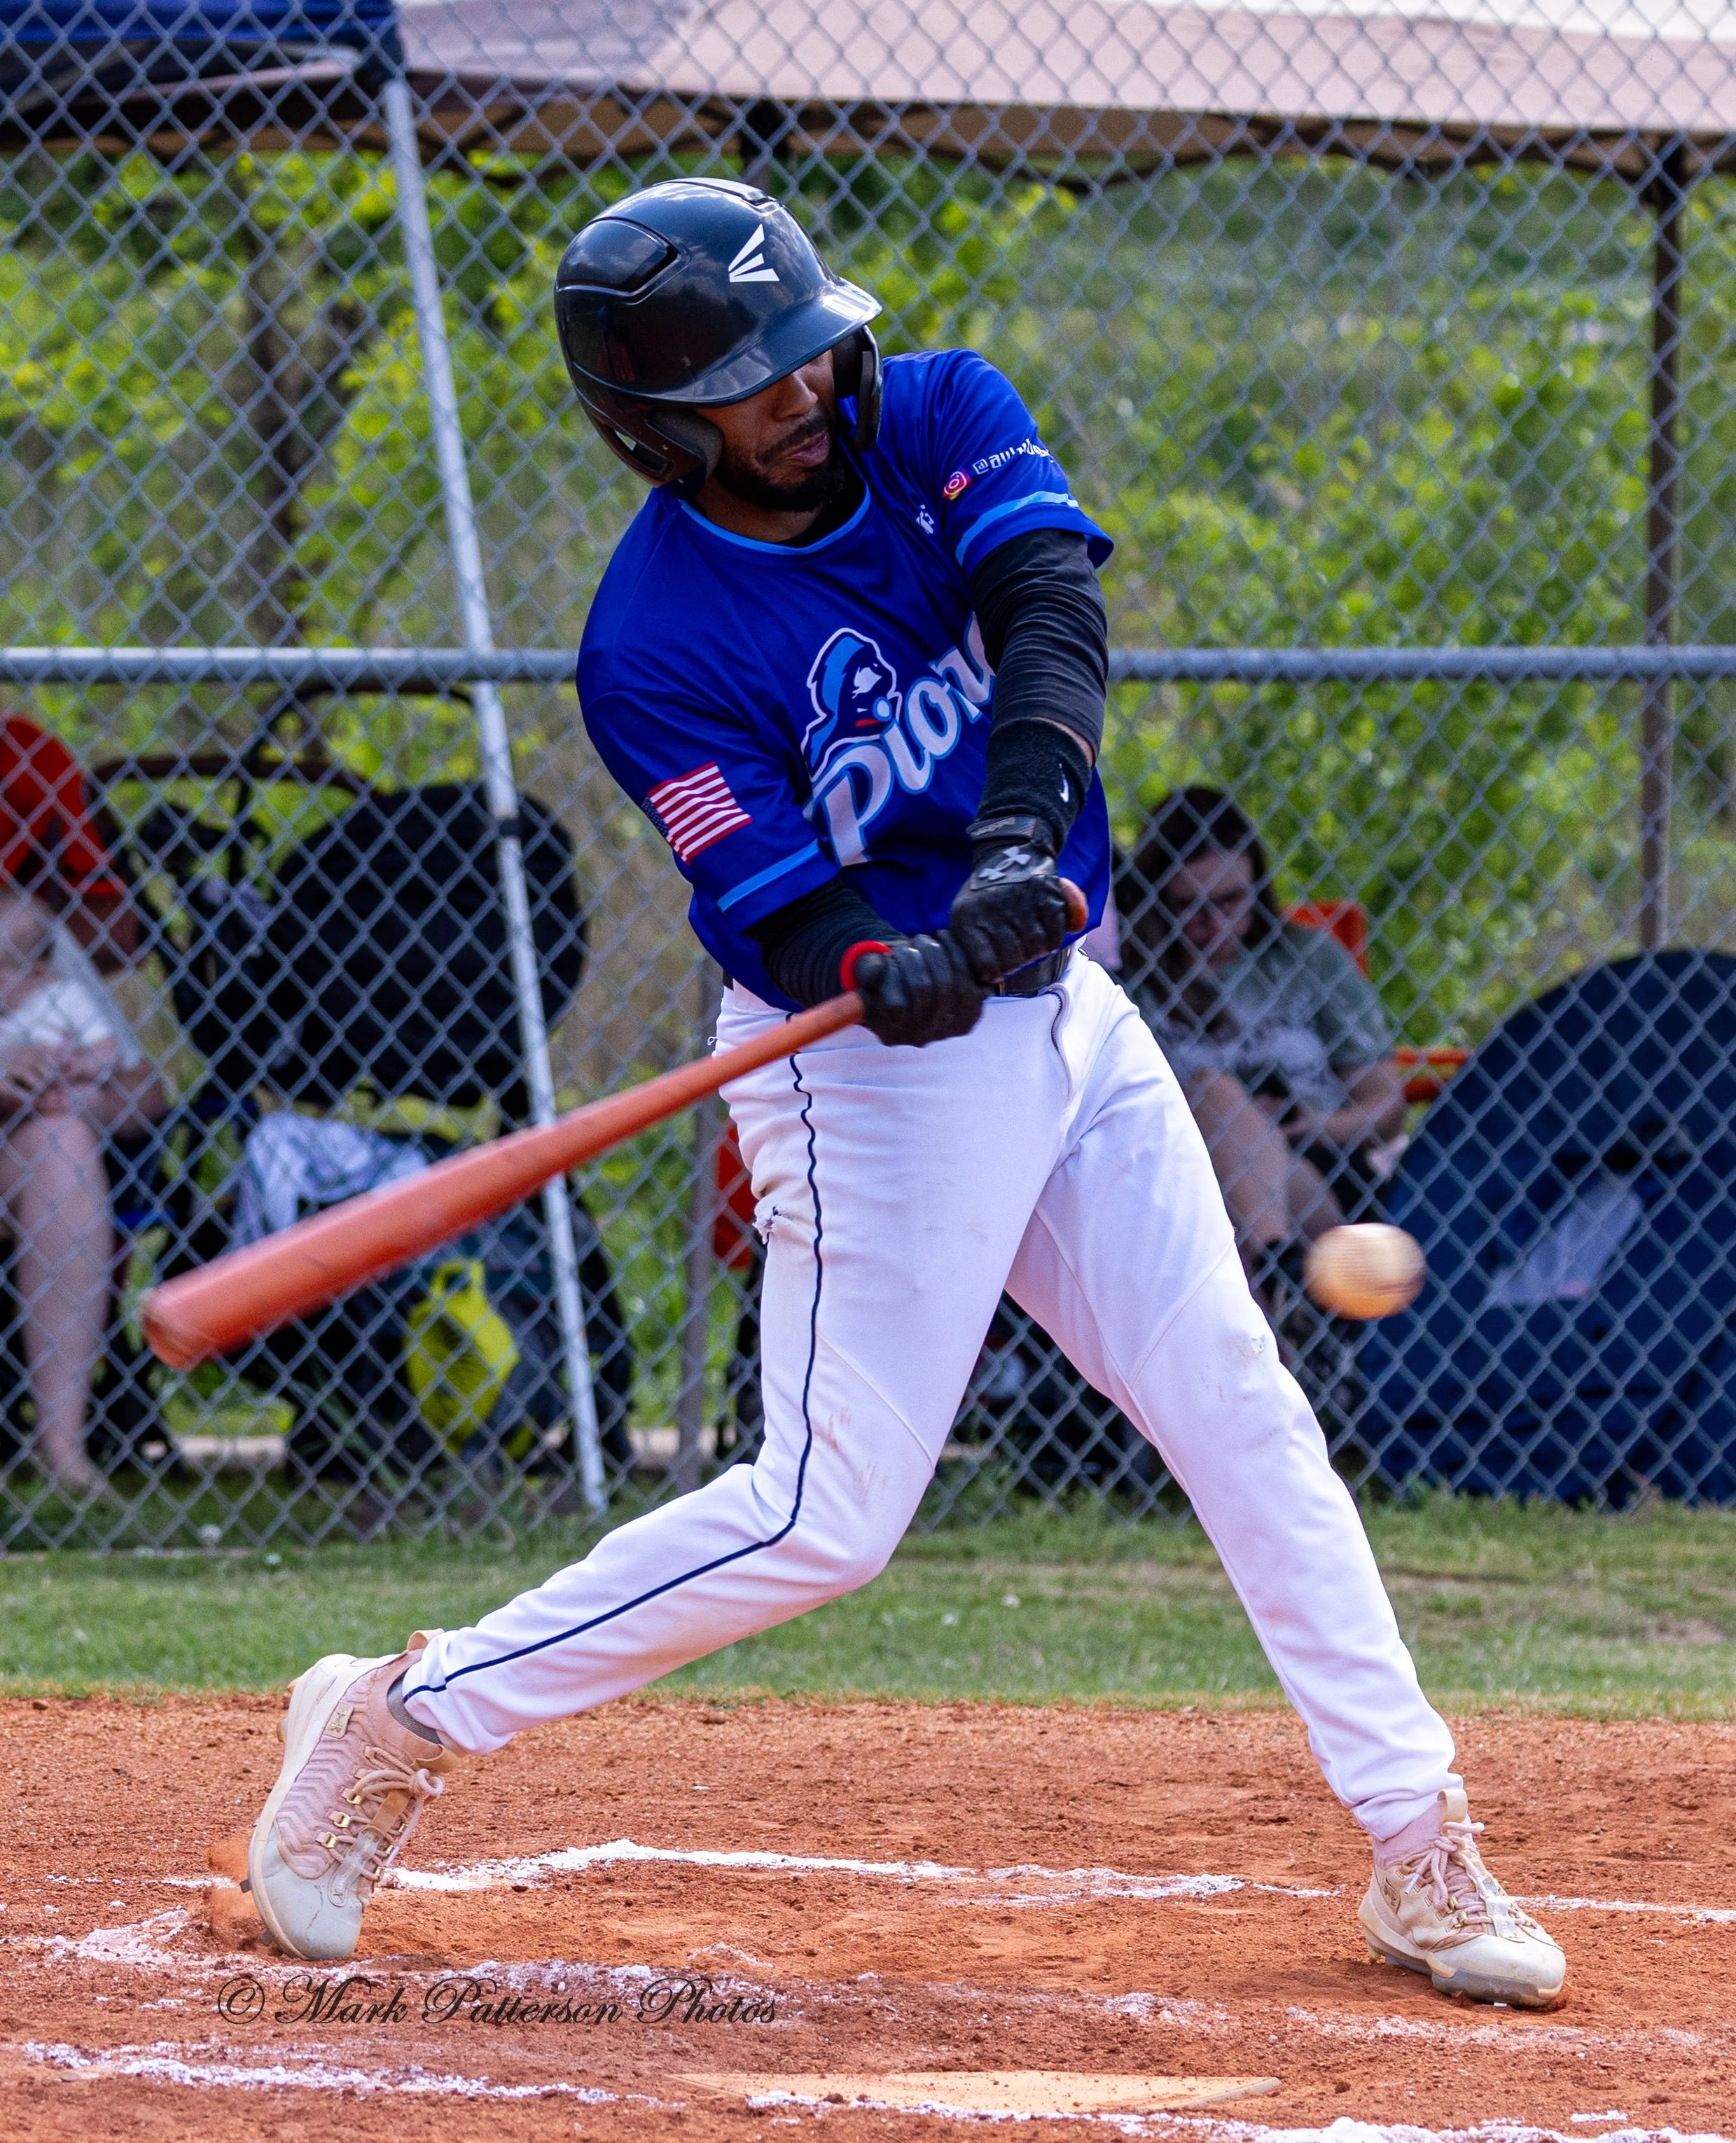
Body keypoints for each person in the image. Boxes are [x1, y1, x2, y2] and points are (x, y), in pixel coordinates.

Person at [241, 179, 1564, 2009]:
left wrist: (1017, 837)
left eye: (803, 351)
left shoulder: (934, 410)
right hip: (865, 1078)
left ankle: (1415, 1843)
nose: (801, 391)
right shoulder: (653, 645)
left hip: (1069, 1017)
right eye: (752, 380)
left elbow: (1045, 615)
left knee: (1237, 1407)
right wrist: (884, 963)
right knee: (820, 1516)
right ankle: (401, 1716)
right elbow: (785, 916)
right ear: (651, 423)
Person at [1119, 788, 1405, 1305]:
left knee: (1257, 1161)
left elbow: (1385, 1105)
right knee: (1213, 1097)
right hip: (1179, 1182)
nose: (1214, 924)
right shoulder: (1127, 984)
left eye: (1230, 901)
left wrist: (1313, 1124)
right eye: (1190, 906)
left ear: (1257, 885)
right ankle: (1280, 1277)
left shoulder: (1305, 958)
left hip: (1318, 1168)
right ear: (1155, 898)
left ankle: (1273, 1279)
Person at [0, 891, 165, 1494]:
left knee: (64, 1143)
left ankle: (63, 1453)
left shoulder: (23, 927)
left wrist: (83, 1094)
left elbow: (145, 1089)